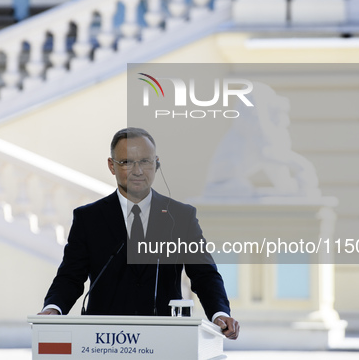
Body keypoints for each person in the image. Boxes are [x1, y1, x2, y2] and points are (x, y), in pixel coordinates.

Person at [38, 127, 240, 339]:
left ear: (157, 163)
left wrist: (219, 313)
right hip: (102, 340)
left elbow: (204, 274)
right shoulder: (89, 218)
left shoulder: (180, 216)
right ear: (112, 166)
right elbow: (70, 276)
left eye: (145, 161)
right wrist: (53, 308)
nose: (137, 170)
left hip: (164, 339)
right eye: (126, 162)